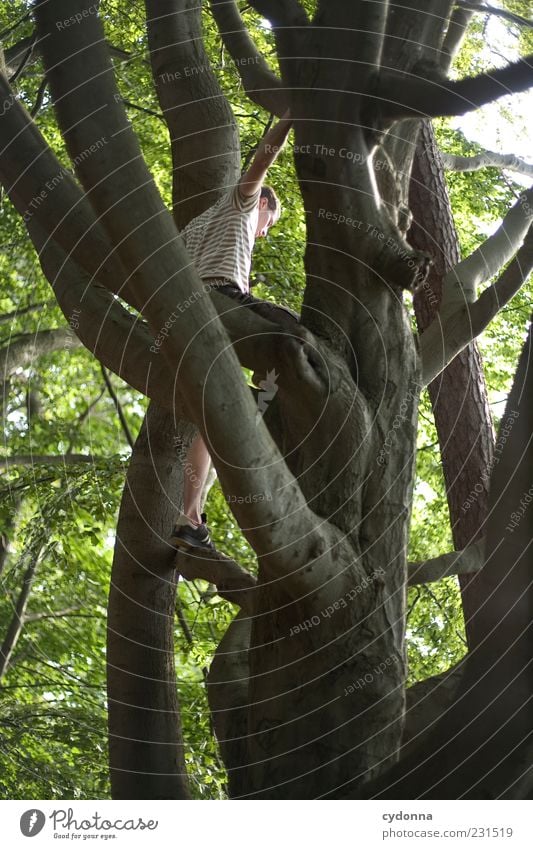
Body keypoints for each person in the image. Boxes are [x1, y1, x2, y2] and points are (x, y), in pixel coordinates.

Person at [170, 111, 296, 551]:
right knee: (298, 338)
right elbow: (264, 159)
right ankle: (269, 418)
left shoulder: (193, 228)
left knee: (214, 421)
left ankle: (191, 518)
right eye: (270, 225)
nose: (263, 236)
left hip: (186, 318)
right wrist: (289, 116)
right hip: (221, 298)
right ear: (262, 205)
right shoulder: (243, 201)